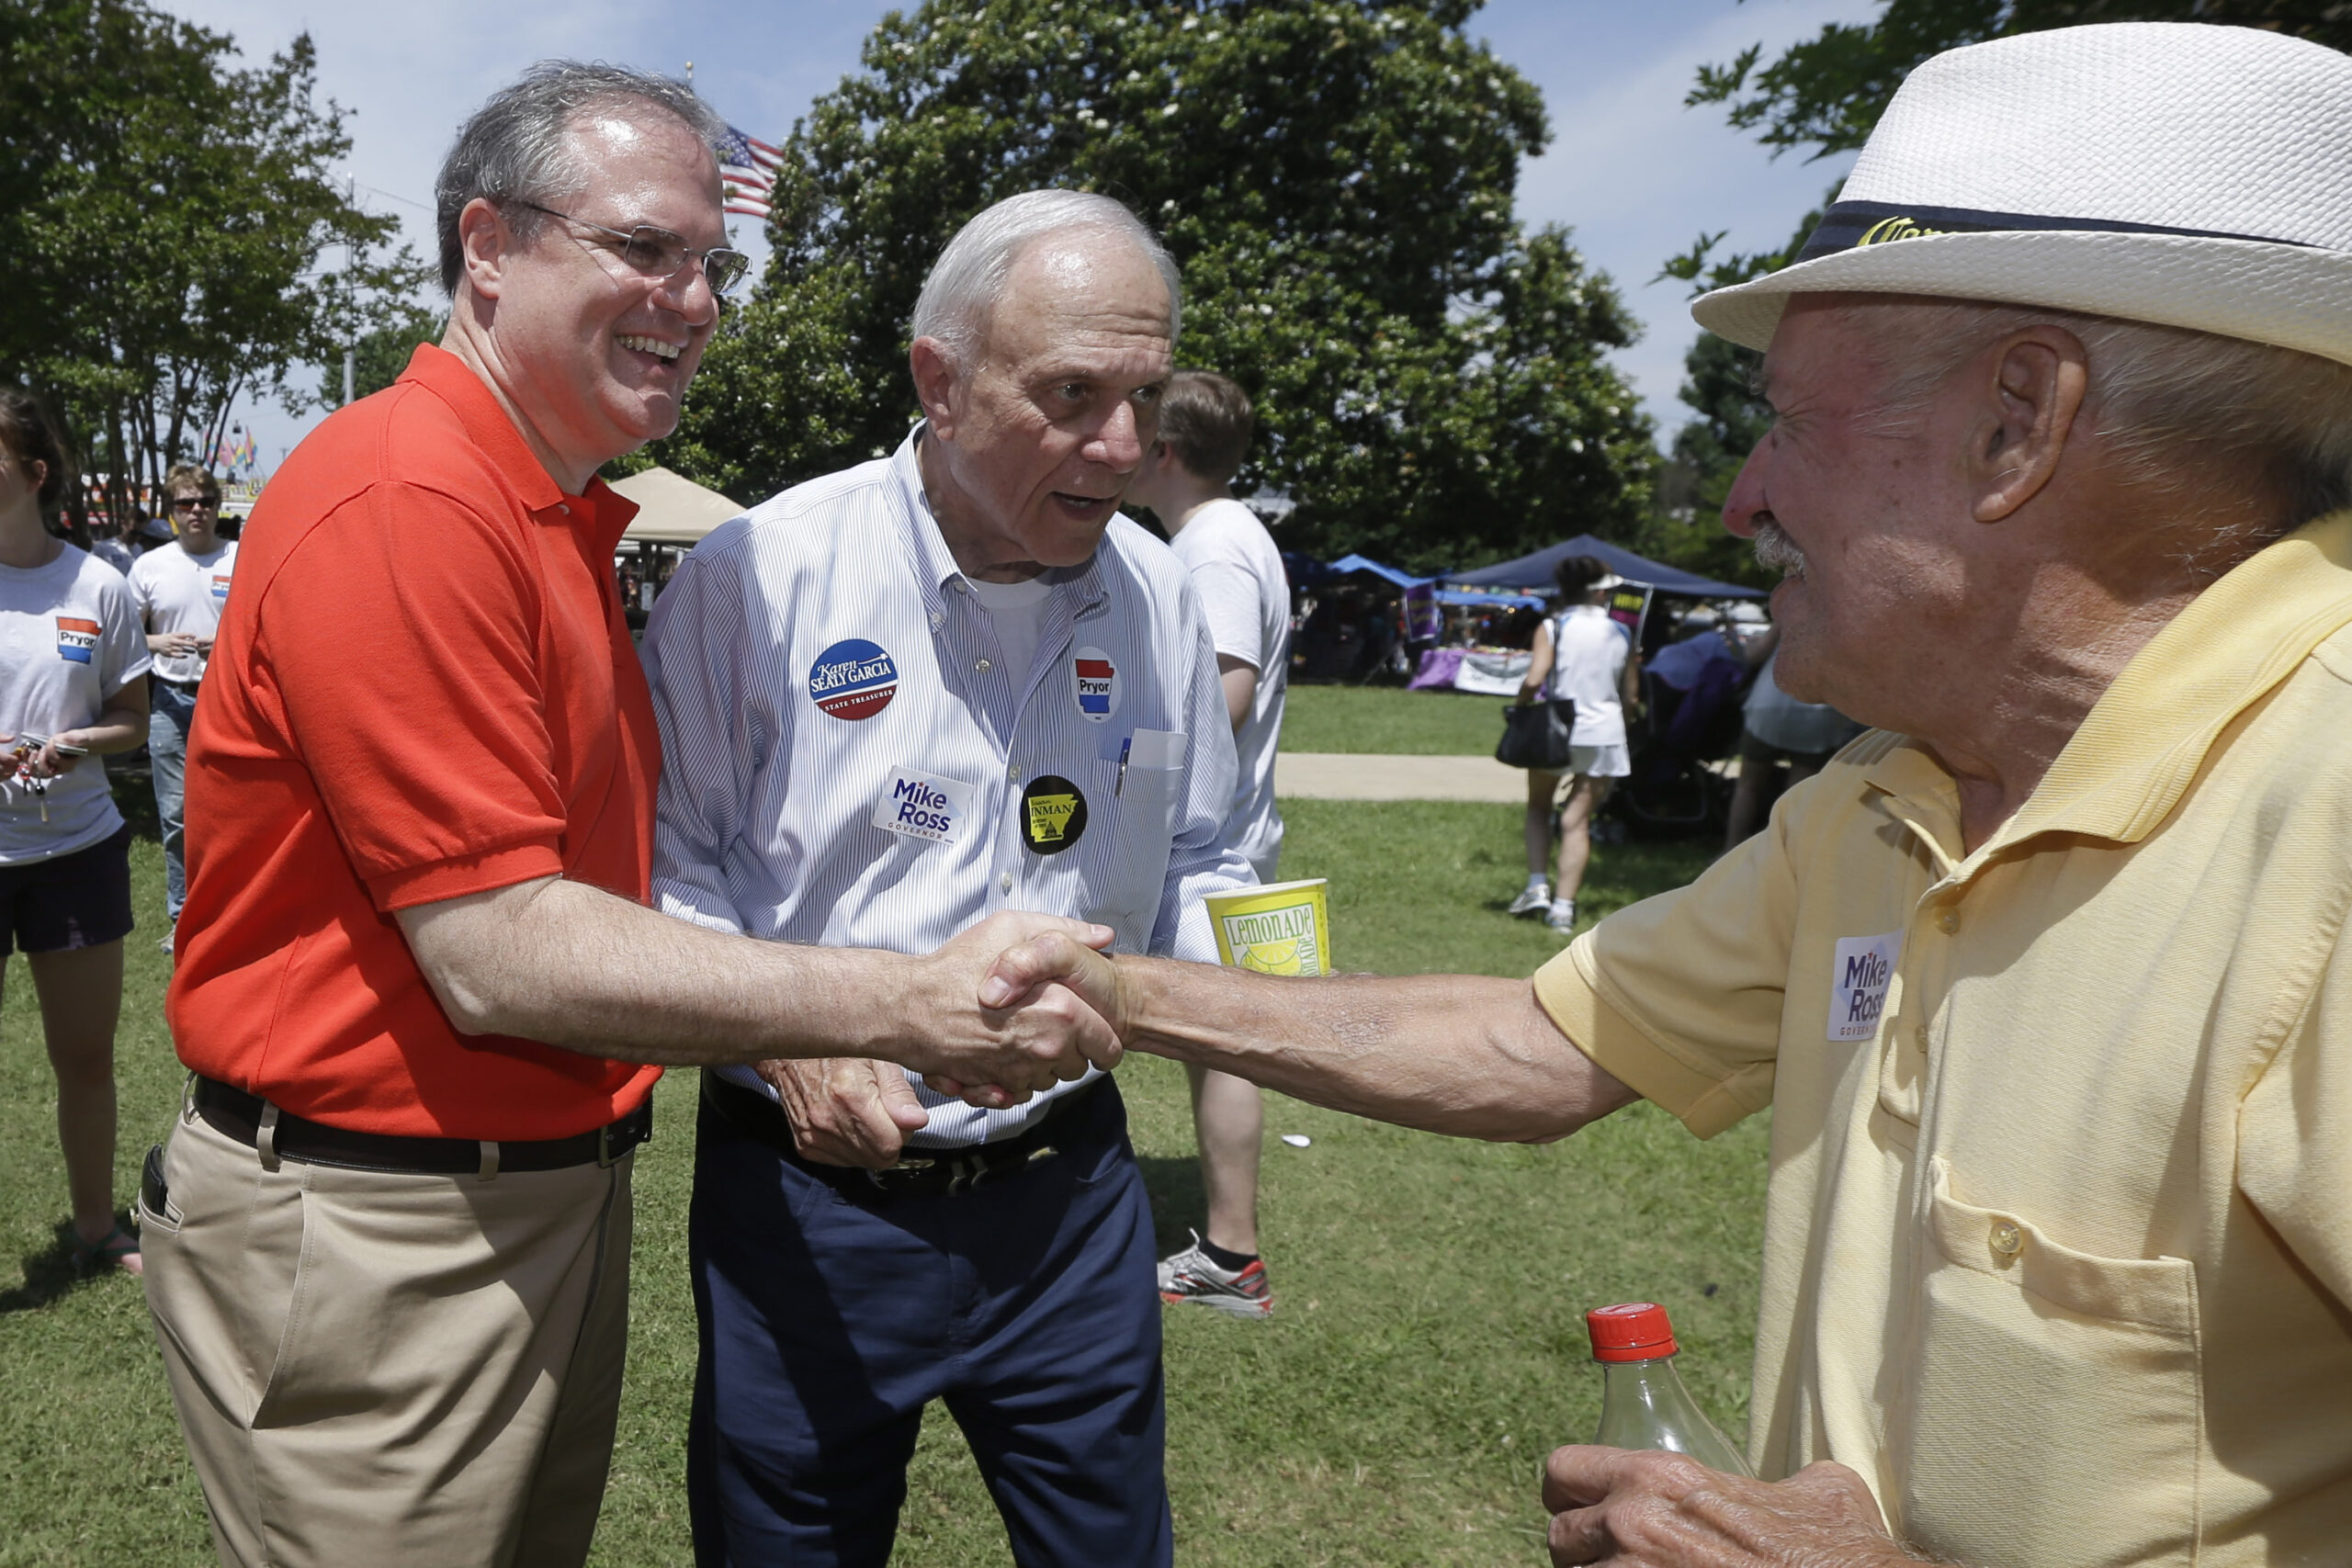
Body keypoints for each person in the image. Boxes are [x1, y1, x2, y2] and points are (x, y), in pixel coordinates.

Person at [980, 24, 2352, 1565]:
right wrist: (1107, 986)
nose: (1739, 498)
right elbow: (1536, 1042)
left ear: (2018, 424)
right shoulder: (1888, 802)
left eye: (1787, 423)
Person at [141, 68, 1116, 1568]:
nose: (698, 296)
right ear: (488, 247)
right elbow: (501, 950)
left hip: (509, 1203)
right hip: (380, 1226)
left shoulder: (540, 507)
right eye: (646, 248)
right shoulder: (411, 499)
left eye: (712, 261)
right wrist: (897, 997)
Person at [643, 189, 1252, 1568]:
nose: (1121, 447)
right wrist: (792, 1029)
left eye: (1144, 397)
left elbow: (1209, 849)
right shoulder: (760, 578)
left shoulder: (1158, 596)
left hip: (1074, 1199)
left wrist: (1265, 1004)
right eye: (1073, 393)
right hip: (811, 1200)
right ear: (941, 377)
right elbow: (657, 865)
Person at [1123, 369, 1286, 1317]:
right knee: (1219, 1040)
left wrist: (1121, 767)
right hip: (1217, 839)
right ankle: (1231, 1250)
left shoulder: (1214, 547)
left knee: (1225, 1040)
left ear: (1167, 451)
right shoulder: (1225, 536)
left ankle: (1232, 1257)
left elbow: (1223, 695)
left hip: (1204, 845)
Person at [0, 386, 151, 1277]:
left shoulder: (99, 584)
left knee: (86, 1057)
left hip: (78, 848)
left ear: (34, 472)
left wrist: (79, 742)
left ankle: (97, 1224)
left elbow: (131, 719)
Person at [127, 462, 236, 948]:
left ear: (217, 507)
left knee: (234, 813)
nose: (196, 512)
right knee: (175, 814)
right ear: (171, 511)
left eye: (205, 502)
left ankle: (233, 912)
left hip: (229, 701)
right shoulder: (150, 566)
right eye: (185, 504)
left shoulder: (240, 557)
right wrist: (157, 642)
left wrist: (227, 642)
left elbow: (265, 623)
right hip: (170, 701)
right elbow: (121, 636)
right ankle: (183, 915)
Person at [1507, 554, 1638, 933]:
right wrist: (1624, 729)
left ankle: (1537, 886)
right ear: (1599, 594)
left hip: (1558, 729)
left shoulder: (1553, 626)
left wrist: (1519, 710)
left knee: (1538, 807)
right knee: (1577, 820)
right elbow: (1629, 696)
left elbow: (1534, 679)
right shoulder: (1621, 632)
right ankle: (1563, 909)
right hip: (1604, 733)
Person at [1721, 623, 1861, 851]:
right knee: (1797, 795)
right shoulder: (1850, 621)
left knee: (1748, 787)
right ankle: (1781, 855)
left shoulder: (1790, 612)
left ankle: (1730, 849)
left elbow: (1755, 655)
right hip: (1818, 713)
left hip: (1768, 708)